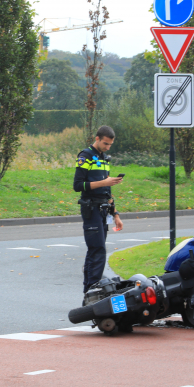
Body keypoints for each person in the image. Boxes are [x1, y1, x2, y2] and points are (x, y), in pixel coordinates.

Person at [73, 125, 124, 293]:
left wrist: (115, 213)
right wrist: (105, 182)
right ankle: (92, 290)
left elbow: (106, 191)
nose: (107, 147)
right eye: (105, 143)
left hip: (102, 209)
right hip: (91, 208)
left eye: (110, 145)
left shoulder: (104, 158)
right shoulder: (85, 156)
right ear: (97, 138)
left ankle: (89, 291)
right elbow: (78, 185)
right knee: (98, 250)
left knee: (96, 250)